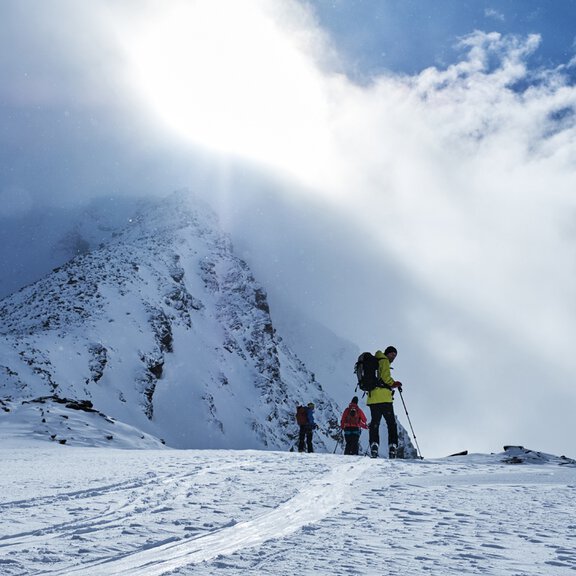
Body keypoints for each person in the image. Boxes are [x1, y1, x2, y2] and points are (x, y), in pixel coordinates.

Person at [367, 346, 402, 459]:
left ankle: (374, 445)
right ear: (387, 353)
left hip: (373, 398)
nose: (393, 357)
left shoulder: (375, 361)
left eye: (395, 356)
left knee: (375, 423)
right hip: (385, 399)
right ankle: (392, 446)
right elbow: (386, 378)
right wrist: (395, 383)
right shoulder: (384, 361)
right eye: (392, 354)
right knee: (391, 424)